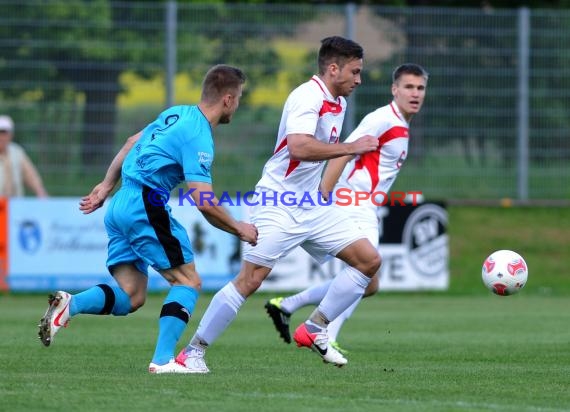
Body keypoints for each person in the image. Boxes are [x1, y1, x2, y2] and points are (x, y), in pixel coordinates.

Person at [176, 36, 381, 372]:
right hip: (278, 201)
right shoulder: (307, 97)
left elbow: (316, 155)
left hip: (312, 204)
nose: (359, 79)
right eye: (355, 72)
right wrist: (350, 147)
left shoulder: (339, 102)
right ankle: (193, 353)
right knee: (250, 280)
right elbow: (299, 147)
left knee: (368, 262)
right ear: (333, 68)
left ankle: (315, 327)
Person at [37, 64, 258, 374]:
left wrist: (105, 186)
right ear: (228, 99)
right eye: (240, 98)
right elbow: (202, 199)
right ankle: (163, 360)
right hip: (146, 204)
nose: (238, 103)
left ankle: (70, 305)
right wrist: (239, 227)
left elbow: (130, 142)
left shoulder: (176, 113)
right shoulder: (199, 135)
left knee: (132, 295)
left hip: (120, 203)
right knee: (188, 281)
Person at [264, 63, 429, 355]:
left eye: (420, 88)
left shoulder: (401, 126)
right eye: (408, 87)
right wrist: (324, 194)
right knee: (365, 274)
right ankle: (323, 332)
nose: (414, 93)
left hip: (366, 207)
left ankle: (290, 305)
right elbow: (345, 150)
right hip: (353, 202)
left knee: (368, 280)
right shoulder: (382, 119)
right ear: (395, 90)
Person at [0, 115, 48, 197]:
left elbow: (30, 174)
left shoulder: (17, 152)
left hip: (16, 203)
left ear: (10, 135)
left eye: (4, 133)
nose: (1, 137)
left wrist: (40, 190)